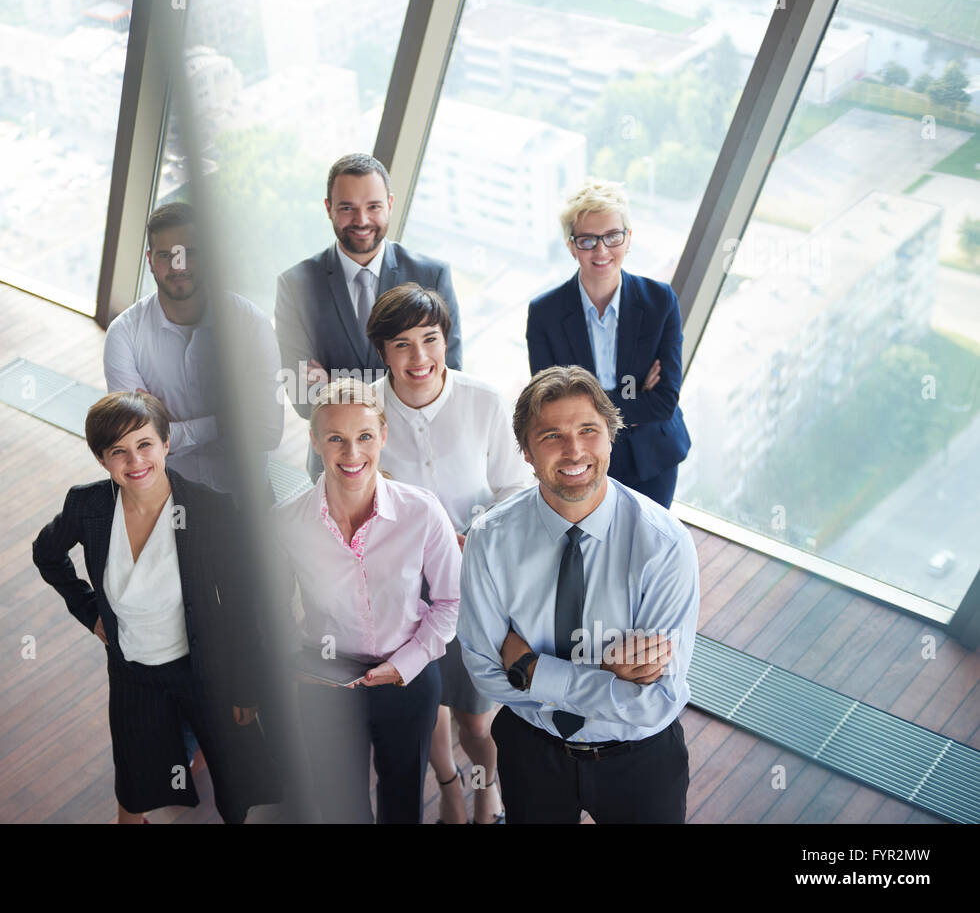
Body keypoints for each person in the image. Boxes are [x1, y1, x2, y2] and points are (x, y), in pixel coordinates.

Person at [457, 366, 700, 823]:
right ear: (526, 453)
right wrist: (608, 672)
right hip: (533, 750)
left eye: (589, 430)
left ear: (611, 437)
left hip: (640, 759)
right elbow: (486, 674)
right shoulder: (490, 537)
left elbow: (655, 700)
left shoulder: (664, 544)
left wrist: (532, 669)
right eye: (551, 436)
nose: (574, 450)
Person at [32, 391, 279, 824]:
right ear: (102, 460)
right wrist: (89, 612)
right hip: (133, 673)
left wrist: (247, 686)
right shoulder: (87, 506)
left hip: (204, 671)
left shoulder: (210, 510)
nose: (135, 460)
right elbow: (47, 554)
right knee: (135, 776)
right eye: (118, 452)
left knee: (238, 779)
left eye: (145, 444)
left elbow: (244, 606)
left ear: (166, 443)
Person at [366, 283, 533, 824]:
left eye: (430, 340)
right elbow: (341, 492)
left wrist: (475, 534)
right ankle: (451, 787)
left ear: (446, 340)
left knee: (476, 717)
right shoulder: (363, 409)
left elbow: (513, 489)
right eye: (402, 345)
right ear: (383, 352)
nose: (419, 358)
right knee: (424, 708)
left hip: (473, 580)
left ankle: (488, 790)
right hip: (398, 587)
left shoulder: (484, 400)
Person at [270, 378, 462, 823]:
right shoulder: (286, 522)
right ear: (316, 440)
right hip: (326, 682)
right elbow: (271, 609)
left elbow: (450, 601)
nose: (351, 453)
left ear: (383, 436)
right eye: (335, 438)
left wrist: (406, 664)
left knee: (403, 795)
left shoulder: (423, 511)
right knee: (338, 802)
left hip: (407, 676)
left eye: (364, 437)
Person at [274, 153, 463, 475]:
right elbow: (303, 396)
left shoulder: (431, 276)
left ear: (390, 204)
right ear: (328, 208)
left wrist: (336, 383)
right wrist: (403, 382)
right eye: (347, 207)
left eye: (373, 206)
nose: (361, 220)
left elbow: (449, 378)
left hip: (417, 459)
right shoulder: (296, 285)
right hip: (335, 466)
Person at [525, 179, 690, 508]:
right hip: (579, 460)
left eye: (612, 237)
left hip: (652, 457)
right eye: (588, 240)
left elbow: (663, 402)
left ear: (628, 239)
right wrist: (633, 398)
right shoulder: (545, 312)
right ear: (572, 246)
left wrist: (588, 405)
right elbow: (553, 407)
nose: (601, 251)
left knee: (647, 549)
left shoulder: (659, 301)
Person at [103, 201, 283, 496]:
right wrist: (226, 420)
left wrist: (170, 432)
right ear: (150, 260)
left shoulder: (251, 325)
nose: (178, 266)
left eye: (190, 253)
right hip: (165, 497)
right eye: (165, 255)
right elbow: (136, 442)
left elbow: (267, 432)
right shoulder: (123, 335)